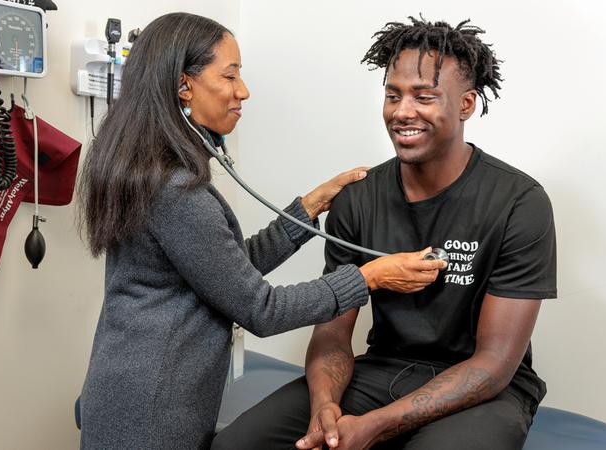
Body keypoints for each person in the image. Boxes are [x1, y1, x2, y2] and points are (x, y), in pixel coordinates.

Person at [76, 12, 447, 450]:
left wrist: (304, 212)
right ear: (183, 86)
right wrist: (370, 277)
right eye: (229, 75)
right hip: (152, 405)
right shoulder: (176, 189)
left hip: (134, 383)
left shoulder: (150, 170)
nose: (243, 91)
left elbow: (222, 273)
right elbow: (260, 308)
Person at [212, 16, 557, 450]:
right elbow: (334, 333)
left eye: (424, 96)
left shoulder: (519, 202)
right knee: (235, 446)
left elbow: (494, 364)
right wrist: (325, 408)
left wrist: (376, 425)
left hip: (485, 389)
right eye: (393, 96)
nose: (402, 111)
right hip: (383, 367)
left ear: (467, 104)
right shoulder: (359, 197)